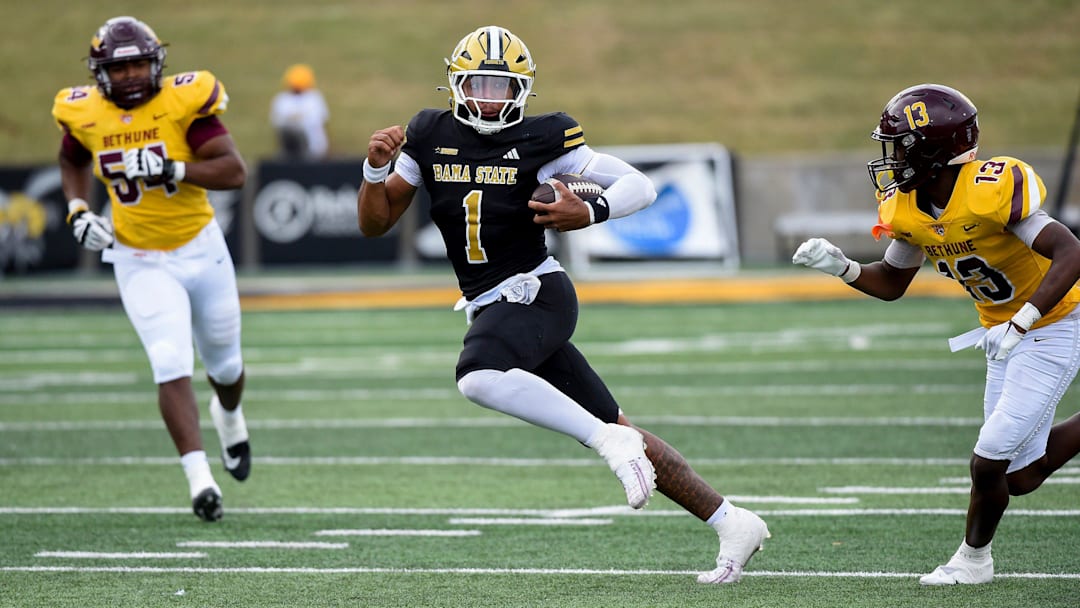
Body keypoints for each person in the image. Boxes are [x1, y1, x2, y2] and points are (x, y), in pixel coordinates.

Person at [357, 25, 770, 584]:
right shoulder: (429, 132)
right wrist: (374, 170)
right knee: (620, 425)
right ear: (455, 84)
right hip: (494, 304)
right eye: (478, 84)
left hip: (538, 294)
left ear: (523, 90)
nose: (488, 98)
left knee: (478, 376)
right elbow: (376, 222)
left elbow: (640, 186)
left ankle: (607, 442)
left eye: (502, 87)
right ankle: (732, 521)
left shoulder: (545, 138)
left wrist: (593, 211)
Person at [793, 83, 1080, 585]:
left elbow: (1071, 252)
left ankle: (972, 561)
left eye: (900, 146)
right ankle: (975, 559)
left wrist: (1024, 318)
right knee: (1017, 475)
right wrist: (841, 267)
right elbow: (891, 282)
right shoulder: (907, 206)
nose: (892, 158)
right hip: (1002, 332)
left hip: (1056, 320)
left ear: (932, 149)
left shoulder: (989, 189)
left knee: (987, 460)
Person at [51, 16, 253, 522]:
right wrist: (78, 210)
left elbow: (234, 171)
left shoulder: (184, 103)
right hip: (138, 256)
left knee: (226, 366)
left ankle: (229, 414)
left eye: (139, 65)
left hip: (200, 247)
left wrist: (173, 167)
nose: (131, 76)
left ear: (157, 63)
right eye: (120, 69)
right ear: (100, 74)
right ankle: (199, 479)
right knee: (169, 359)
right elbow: (72, 160)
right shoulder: (84, 111)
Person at [269, 63, 330, 160]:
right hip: (289, 151)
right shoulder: (282, 99)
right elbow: (278, 123)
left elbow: (317, 121)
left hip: (314, 149)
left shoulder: (314, 98)